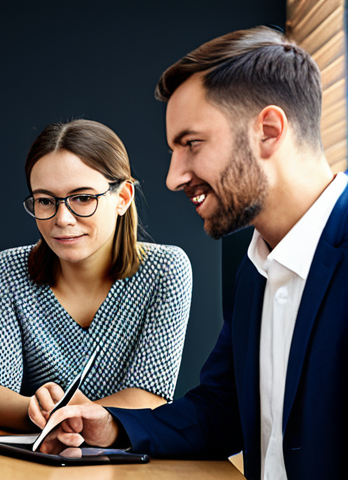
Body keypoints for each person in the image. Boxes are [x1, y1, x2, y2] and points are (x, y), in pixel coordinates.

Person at [35, 26, 348, 480]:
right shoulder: (254, 266)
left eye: (191, 144)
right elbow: (221, 412)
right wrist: (113, 426)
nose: (173, 177)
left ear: (269, 131)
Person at [0, 119, 192, 431]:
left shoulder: (165, 269)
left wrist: (63, 417)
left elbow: (149, 397)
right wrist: (38, 409)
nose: (62, 219)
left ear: (123, 198)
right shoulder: (9, 270)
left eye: (83, 198)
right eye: (45, 201)